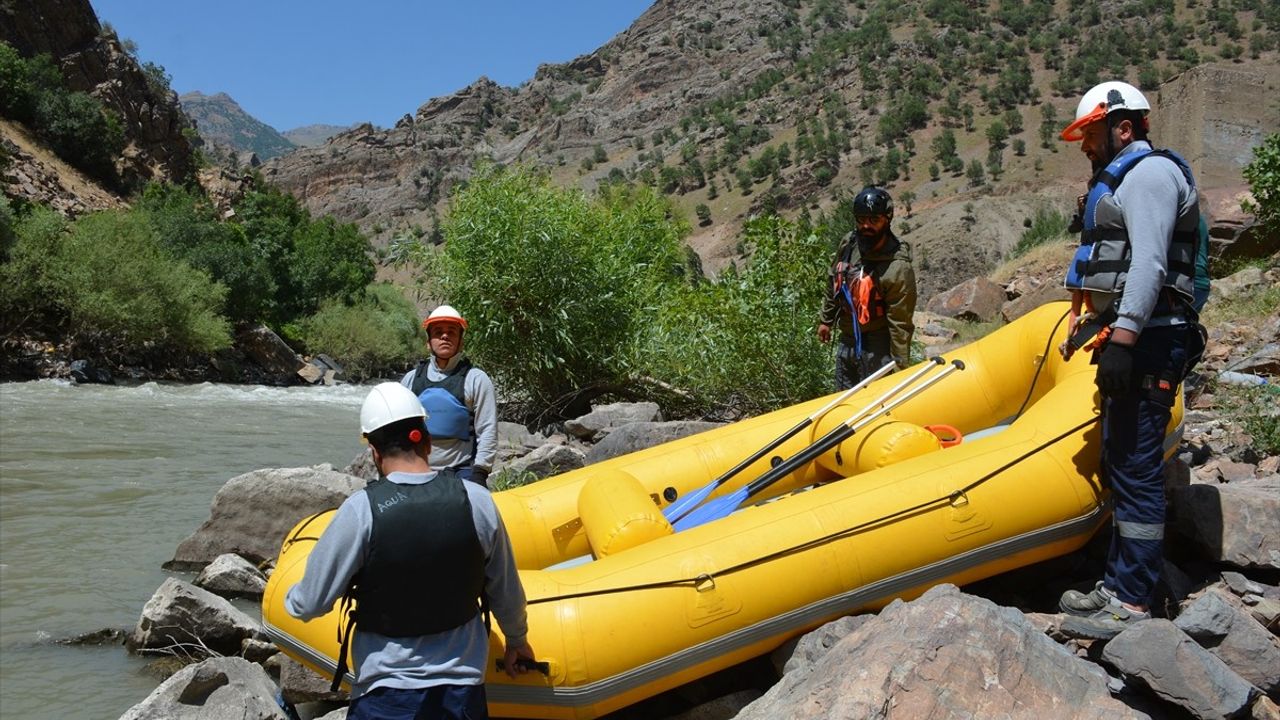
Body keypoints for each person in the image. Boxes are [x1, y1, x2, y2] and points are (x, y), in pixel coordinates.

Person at [285, 382, 535, 719]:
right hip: (461, 696)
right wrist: (516, 640)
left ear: (374, 452)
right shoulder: (477, 502)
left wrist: (290, 597)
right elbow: (506, 590)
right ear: (428, 442)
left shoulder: (361, 511)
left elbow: (310, 603)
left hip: (385, 695)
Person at [1055, 81, 1205, 640]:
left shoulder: (1148, 177)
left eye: (1090, 134)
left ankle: (1133, 600)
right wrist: (1099, 329)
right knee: (1122, 459)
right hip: (1137, 335)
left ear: (1122, 127)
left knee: (1138, 464)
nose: (1085, 146)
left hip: (1150, 339)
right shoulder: (1128, 178)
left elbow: (1148, 267)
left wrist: (1121, 339)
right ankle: (1120, 583)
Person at [818, 186, 917, 390]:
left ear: (887, 219)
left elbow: (900, 323)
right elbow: (834, 278)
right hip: (847, 340)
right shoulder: (849, 243)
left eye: (874, 220)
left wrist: (900, 368)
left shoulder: (897, 267)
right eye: (861, 219)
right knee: (843, 399)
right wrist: (825, 320)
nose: (865, 226)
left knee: (875, 401)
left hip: (877, 345)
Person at [401, 305, 498, 487]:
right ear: (429, 342)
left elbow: (487, 430)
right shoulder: (410, 380)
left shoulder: (476, 379)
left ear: (461, 342)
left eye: (451, 332)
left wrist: (481, 471)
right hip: (416, 471)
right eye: (438, 332)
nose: (445, 336)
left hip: (461, 471)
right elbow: (397, 430)